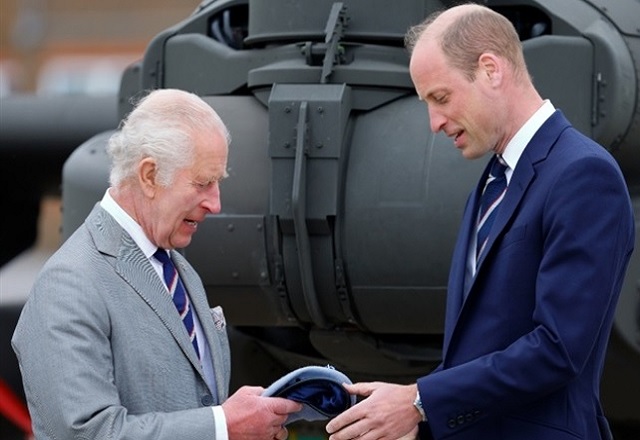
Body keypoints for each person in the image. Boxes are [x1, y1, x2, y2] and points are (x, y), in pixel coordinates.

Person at [326, 3, 635, 440]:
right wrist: (416, 416)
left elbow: (558, 349)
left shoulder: (583, 174)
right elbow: (479, 351)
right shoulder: (491, 184)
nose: (433, 123)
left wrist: (418, 401)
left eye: (441, 97)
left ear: (490, 70)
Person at [12, 88, 301, 440]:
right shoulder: (69, 284)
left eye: (218, 183)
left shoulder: (178, 269)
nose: (216, 203)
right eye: (203, 183)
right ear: (149, 175)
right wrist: (223, 426)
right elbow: (84, 435)